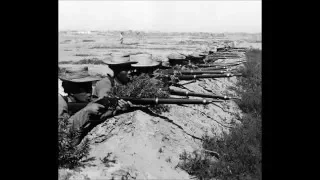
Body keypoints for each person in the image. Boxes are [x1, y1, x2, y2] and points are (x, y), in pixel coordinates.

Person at [58, 66, 132, 146]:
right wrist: (85, 111)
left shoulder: (91, 102)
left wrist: (117, 109)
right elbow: (62, 133)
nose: (89, 92)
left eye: (89, 87)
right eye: (84, 88)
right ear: (70, 89)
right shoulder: (61, 103)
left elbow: (100, 118)